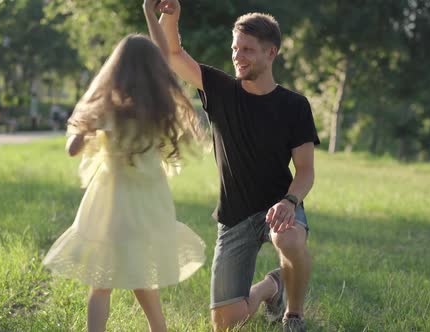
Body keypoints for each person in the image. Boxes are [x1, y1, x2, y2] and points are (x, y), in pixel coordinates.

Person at [156, 2, 320, 331]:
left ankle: (294, 315)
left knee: (287, 240)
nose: (237, 56)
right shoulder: (220, 89)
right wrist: (171, 14)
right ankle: (270, 288)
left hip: (280, 207)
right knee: (226, 324)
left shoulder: (294, 106)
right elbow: (172, 54)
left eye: (247, 50)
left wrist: (290, 202)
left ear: (271, 52)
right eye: (235, 48)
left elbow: (305, 170)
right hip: (234, 216)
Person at [43, 2, 206, 331]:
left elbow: (73, 150)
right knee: (142, 272)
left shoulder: (108, 107)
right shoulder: (159, 107)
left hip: (111, 202)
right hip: (149, 203)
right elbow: (163, 56)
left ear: (115, 69)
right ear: (154, 72)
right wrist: (149, 10)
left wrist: (82, 124)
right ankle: (159, 329)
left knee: (101, 282)